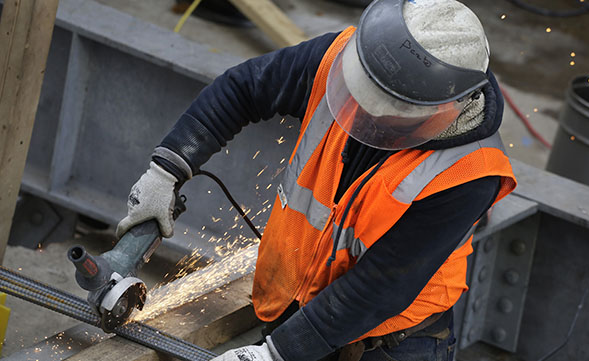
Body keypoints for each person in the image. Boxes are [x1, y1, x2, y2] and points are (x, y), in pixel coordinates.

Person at [117, 0, 517, 360]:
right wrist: (165, 171)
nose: (368, 115)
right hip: (295, 307)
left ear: (450, 105)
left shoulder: (469, 173)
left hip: (391, 342)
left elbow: (379, 287)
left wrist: (275, 355)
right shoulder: (342, 56)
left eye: (390, 111)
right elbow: (244, 89)